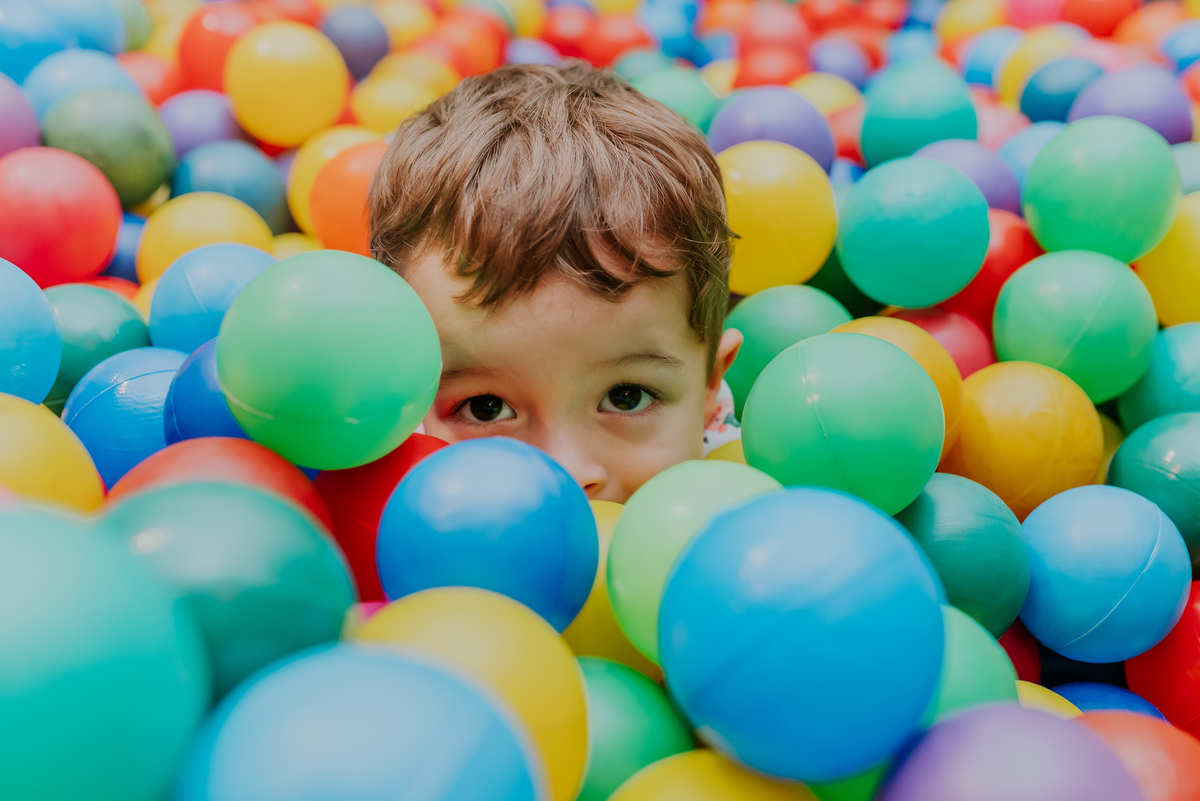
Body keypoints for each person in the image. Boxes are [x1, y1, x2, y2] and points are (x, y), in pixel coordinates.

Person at [369, 62, 741, 503]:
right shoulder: (375, 469)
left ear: (710, 390)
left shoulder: (742, 495)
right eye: (486, 408)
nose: (566, 474)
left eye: (627, 397)